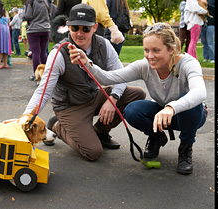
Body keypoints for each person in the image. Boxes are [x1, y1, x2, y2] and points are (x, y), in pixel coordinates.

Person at [70, 22, 207, 174]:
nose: (150, 56)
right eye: (146, 50)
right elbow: (109, 78)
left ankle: (185, 148)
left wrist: (172, 107)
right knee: (132, 110)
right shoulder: (144, 65)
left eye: (156, 50)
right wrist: (86, 64)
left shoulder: (188, 63)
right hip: (162, 114)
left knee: (191, 103)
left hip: (188, 115)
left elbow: (200, 92)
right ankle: (157, 137)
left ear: (171, 49)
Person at [23, 4, 146, 161]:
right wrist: (26, 118)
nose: (79, 33)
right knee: (93, 152)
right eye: (75, 28)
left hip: (93, 97)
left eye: (85, 29)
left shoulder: (104, 45)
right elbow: (43, 91)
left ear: (94, 27)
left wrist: (113, 98)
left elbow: (120, 76)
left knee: (137, 94)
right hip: (70, 107)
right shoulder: (58, 53)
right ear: (68, 27)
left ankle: (100, 132)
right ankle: (58, 127)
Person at [22, 0, 51, 81]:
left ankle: (36, 74)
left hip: (33, 29)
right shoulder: (46, 1)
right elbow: (50, 13)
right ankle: (46, 73)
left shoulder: (30, 2)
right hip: (45, 29)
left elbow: (27, 16)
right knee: (43, 52)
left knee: (36, 53)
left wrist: (22, 15)